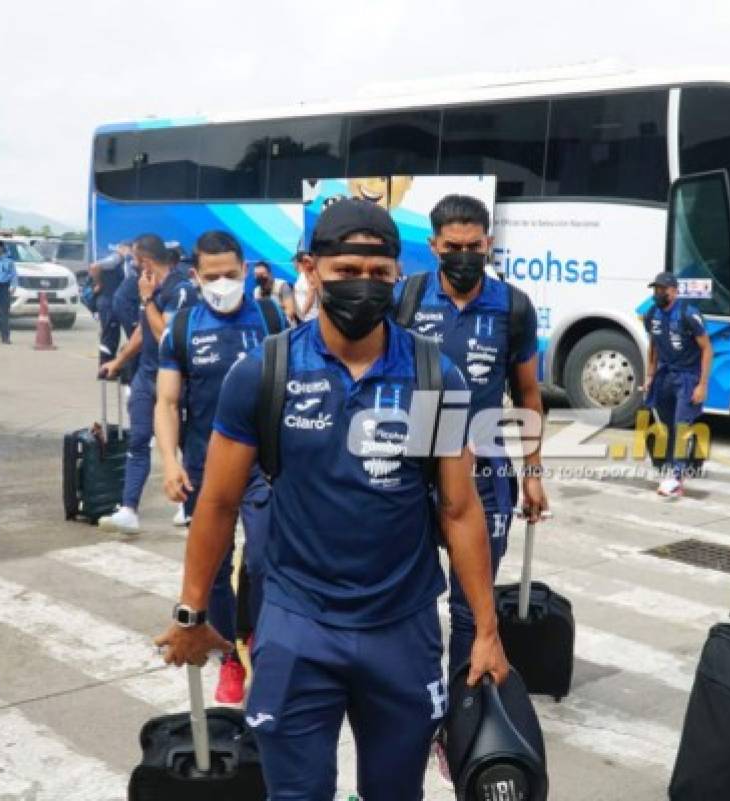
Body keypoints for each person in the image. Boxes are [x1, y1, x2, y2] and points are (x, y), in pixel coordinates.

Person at [155, 198, 509, 801]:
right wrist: (192, 614)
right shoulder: (263, 373)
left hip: (403, 630)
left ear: (398, 273)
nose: (363, 287)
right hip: (297, 626)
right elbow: (216, 503)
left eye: (379, 274)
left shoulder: (434, 376)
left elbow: (457, 508)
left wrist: (485, 629)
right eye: (347, 272)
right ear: (311, 269)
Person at [395, 193, 549, 674]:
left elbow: (528, 395)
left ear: (489, 244)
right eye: (452, 246)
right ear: (434, 245)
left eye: (473, 246)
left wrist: (533, 474)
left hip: (484, 473)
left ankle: (464, 708)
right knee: (405, 600)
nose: (464, 256)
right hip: (414, 473)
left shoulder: (514, 307)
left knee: (472, 609)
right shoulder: (408, 299)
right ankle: (415, 693)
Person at [154, 229, 282, 704]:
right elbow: (167, 403)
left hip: (263, 466)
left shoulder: (271, 317)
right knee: (213, 569)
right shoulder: (183, 327)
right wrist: (169, 462)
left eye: (232, 274)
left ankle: (262, 650)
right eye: (213, 276)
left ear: (245, 271)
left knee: (266, 559)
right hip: (205, 466)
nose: (223, 283)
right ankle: (229, 654)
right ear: (195, 276)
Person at [98, 235, 197, 534]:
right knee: (138, 440)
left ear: (147, 262)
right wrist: (118, 361)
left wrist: (146, 298)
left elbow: (166, 333)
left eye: (135, 261)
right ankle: (129, 509)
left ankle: (189, 503)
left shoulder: (180, 290)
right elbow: (143, 333)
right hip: (146, 375)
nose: (133, 267)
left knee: (184, 444)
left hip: (176, 378)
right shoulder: (152, 288)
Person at [640, 272, 712, 498]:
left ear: (674, 291)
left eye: (663, 289)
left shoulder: (688, 315)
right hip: (664, 376)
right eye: (656, 289)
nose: (658, 294)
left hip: (687, 377)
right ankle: (678, 465)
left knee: (681, 425)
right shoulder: (652, 314)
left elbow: (707, 349)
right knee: (669, 425)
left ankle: (677, 476)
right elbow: (653, 345)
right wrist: (650, 376)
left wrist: (702, 385)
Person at [87, 241, 131, 365]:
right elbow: (95, 266)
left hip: (109, 302)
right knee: (109, 336)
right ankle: (105, 366)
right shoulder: (115, 258)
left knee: (110, 334)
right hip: (107, 302)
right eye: (129, 249)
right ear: (122, 248)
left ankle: (108, 364)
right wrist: (98, 283)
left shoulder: (120, 261)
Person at [292, 250, 318, 323]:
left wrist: (302, 313)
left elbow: (311, 294)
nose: (293, 265)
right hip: (306, 317)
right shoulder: (301, 276)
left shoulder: (308, 276)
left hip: (310, 317)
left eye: (294, 262)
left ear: (297, 262)